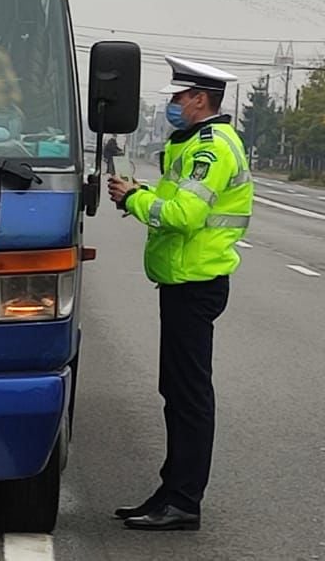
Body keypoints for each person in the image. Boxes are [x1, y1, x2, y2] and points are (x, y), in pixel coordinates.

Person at [106, 55, 253, 532]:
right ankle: (170, 492)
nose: (172, 104)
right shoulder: (192, 143)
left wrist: (134, 198)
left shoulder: (211, 149)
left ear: (199, 99)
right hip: (183, 280)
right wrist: (142, 190)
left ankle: (184, 501)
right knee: (176, 391)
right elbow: (176, 200)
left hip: (196, 283)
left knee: (189, 397)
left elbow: (184, 215)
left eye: (178, 97)